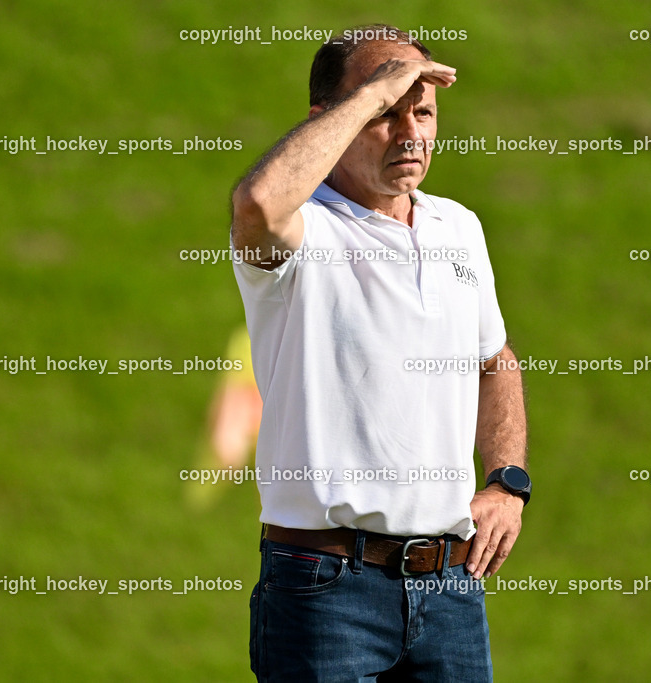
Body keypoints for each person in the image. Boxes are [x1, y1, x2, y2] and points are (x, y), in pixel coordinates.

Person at [230, 23, 530, 681]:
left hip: (450, 590)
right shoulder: (301, 230)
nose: (410, 132)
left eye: (422, 111)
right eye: (385, 113)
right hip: (323, 588)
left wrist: (508, 479)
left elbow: (494, 358)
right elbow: (255, 203)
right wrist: (367, 96)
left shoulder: (461, 226)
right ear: (330, 118)